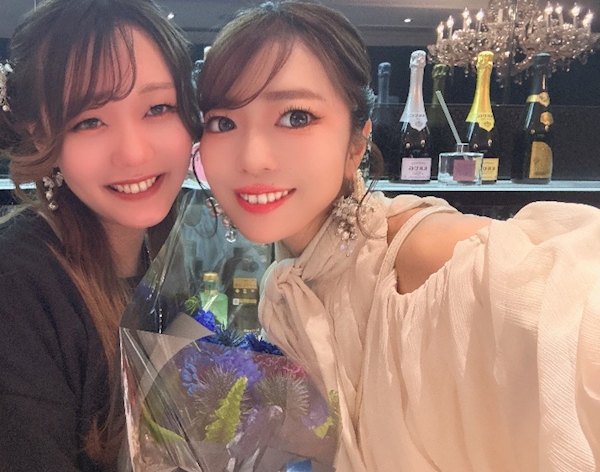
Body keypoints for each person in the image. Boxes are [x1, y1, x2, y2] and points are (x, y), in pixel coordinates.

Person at [196, 1, 600, 471]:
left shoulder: (425, 261)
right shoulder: (288, 288)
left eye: (296, 117)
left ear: (356, 143)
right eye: (223, 122)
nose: (252, 157)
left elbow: (571, 311)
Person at [0, 0, 201, 469]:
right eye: (89, 120)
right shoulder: (2, 295)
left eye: (158, 108)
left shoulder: (160, 262)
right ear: (40, 133)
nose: (133, 152)